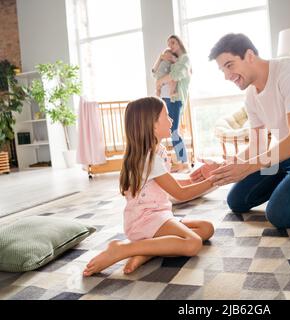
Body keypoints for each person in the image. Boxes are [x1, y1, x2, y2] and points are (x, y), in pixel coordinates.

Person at [190, 33, 290, 229]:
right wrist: (223, 166)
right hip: (283, 153)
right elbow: (257, 146)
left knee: (279, 215)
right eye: (222, 70)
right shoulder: (251, 96)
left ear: (250, 55)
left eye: (229, 65)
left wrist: (246, 168)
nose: (227, 76)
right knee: (237, 201)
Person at [83, 97, 215, 277]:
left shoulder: (157, 151)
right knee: (193, 243)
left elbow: (169, 183)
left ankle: (145, 252)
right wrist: (214, 180)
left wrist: (193, 179)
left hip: (159, 215)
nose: (171, 120)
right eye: (166, 116)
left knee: (206, 228)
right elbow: (180, 194)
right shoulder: (150, 159)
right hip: (145, 220)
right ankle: (123, 249)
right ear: (152, 125)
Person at [153, 35, 191, 172]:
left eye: (173, 42)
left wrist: (160, 81)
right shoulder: (172, 60)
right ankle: (175, 162)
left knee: (174, 131)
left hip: (175, 99)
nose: (171, 45)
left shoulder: (184, 59)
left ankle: (184, 162)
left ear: (180, 43)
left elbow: (177, 75)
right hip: (166, 99)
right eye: (169, 43)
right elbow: (157, 73)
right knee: (167, 130)